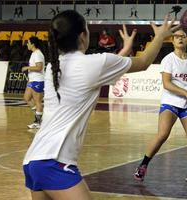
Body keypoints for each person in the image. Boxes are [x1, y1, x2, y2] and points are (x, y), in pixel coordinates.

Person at [23, 10, 178, 200]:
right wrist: (161, 36)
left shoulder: (53, 67)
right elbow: (144, 62)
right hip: (54, 161)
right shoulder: (94, 64)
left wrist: (124, 50)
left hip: (34, 160)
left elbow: (100, 71)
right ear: (82, 36)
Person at [134, 29, 187, 185]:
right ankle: (143, 165)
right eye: (177, 36)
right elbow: (167, 84)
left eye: (183, 36)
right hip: (170, 102)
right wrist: (186, 93)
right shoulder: (168, 60)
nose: (180, 38)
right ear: (173, 41)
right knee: (162, 135)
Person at [22, 36, 45, 129]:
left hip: (38, 80)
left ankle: (38, 122)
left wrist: (27, 68)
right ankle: (38, 116)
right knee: (26, 98)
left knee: (37, 101)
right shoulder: (34, 53)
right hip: (32, 80)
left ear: (33, 44)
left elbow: (39, 67)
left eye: (28, 42)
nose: (27, 44)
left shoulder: (38, 54)